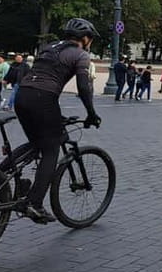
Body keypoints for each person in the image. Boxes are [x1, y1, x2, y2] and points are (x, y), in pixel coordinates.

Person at [10, 18, 101, 223]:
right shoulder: (81, 55)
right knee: (51, 149)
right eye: (91, 39)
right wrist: (91, 113)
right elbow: (84, 87)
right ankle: (34, 203)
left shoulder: (49, 47)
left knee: (37, 143)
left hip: (23, 96)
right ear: (85, 38)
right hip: (44, 98)